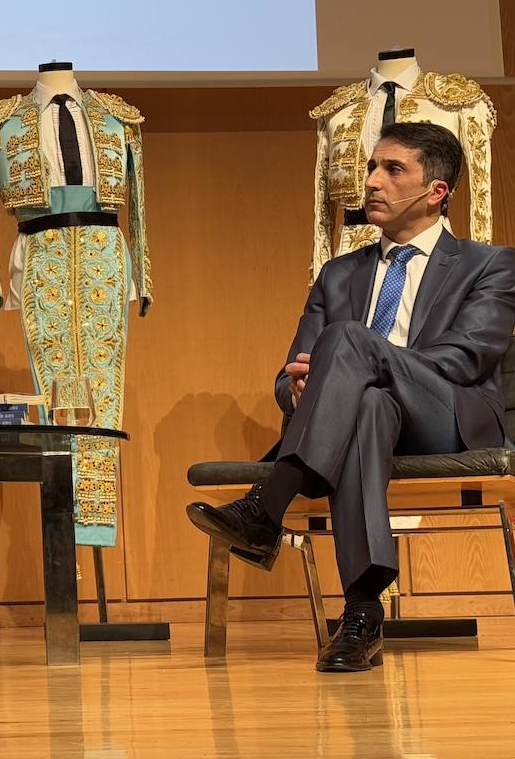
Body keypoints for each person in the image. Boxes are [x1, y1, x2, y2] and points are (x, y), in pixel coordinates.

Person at [186, 122, 515, 673]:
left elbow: (466, 359)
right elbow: (286, 376)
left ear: (436, 192)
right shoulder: (338, 274)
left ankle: (267, 507)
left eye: (393, 170)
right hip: (363, 421)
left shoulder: (491, 264)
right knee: (366, 406)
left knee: (348, 343)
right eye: (370, 167)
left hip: (446, 415)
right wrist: (298, 388)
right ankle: (361, 615)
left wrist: (360, 360)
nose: (371, 182)